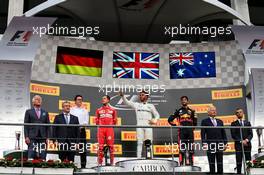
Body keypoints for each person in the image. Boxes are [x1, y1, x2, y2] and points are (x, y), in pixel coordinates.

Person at [119, 90, 160, 158]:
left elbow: (157, 115)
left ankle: (151, 158)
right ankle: (138, 158)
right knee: (139, 142)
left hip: (148, 125)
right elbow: (127, 103)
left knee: (149, 142)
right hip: (139, 125)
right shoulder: (136, 105)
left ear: (147, 96)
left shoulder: (151, 106)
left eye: (142, 95)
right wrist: (123, 96)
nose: (141, 96)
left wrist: (154, 121)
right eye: (140, 95)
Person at [168, 96, 197, 165]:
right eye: (182, 100)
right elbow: (170, 120)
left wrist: (191, 129)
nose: (184, 101)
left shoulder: (192, 111)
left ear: (187, 101)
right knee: (182, 149)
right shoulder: (178, 111)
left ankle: (191, 163)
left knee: (191, 149)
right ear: (181, 102)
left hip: (190, 132)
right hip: (181, 132)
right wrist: (176, 125)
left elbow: (195, 122)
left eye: (185, 100)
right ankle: (181, 164)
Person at [201, 106, 227, 174]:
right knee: (211, 162)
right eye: (212, 110)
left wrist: (225, 143)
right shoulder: (204, 121)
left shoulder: (220, 121)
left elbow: (223, 133)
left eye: (215, 110)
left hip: (220, 144)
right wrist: (204, 143)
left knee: (220, 161)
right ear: (208, 112)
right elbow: (203, 133)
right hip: (210, 145)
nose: (214, 111)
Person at [24, 95, 50, 160]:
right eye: (37, 99)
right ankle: (30, 168)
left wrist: (48, 137)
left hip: (43, 137)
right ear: (33, 102)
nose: (39, 100)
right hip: (32, 137)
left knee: (43, 155)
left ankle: (42, 167)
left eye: (40, 99)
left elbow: (48, 126)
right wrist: (26, 136)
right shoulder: (28, 111)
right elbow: (26, 125)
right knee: (31, 154)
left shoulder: (45, 112)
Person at [96, 95, 117, 166]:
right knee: (100, 147)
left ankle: (111, 163)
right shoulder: (98, 110)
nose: (103, 100)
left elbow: (115, 121)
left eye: (104, 98)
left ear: (108, 100)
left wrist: (109, 125)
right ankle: (99, 164)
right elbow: (96, 120)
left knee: (111, 147)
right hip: (101, 129)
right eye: (102, 98)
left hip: (109, 129)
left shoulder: (113, 110)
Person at [231, 108, 253, 174]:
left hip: (247, 144)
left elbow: (251, 134)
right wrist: (241, 141)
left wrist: (246, 140)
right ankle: (239, 173)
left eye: (240, 112)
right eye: (237, 112)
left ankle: (249, 173)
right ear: (236, 114)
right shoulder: (233, 124)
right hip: (238, 145)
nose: (239, 113)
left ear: (243, 113)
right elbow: (233, 135)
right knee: (239, 161)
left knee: (248, 161)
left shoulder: (248, 123)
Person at [70, 95, 89, 168]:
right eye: (78, 99)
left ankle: (83, 166)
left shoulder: (85, 110)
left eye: (81, 99)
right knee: (72, 149)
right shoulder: (71, 110)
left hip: (81, 131)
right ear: (75, 101)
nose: (80, 101)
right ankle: (71, 165)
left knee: (82, 150)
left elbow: (86, 122)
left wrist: (80, 125)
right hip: (73, 132)